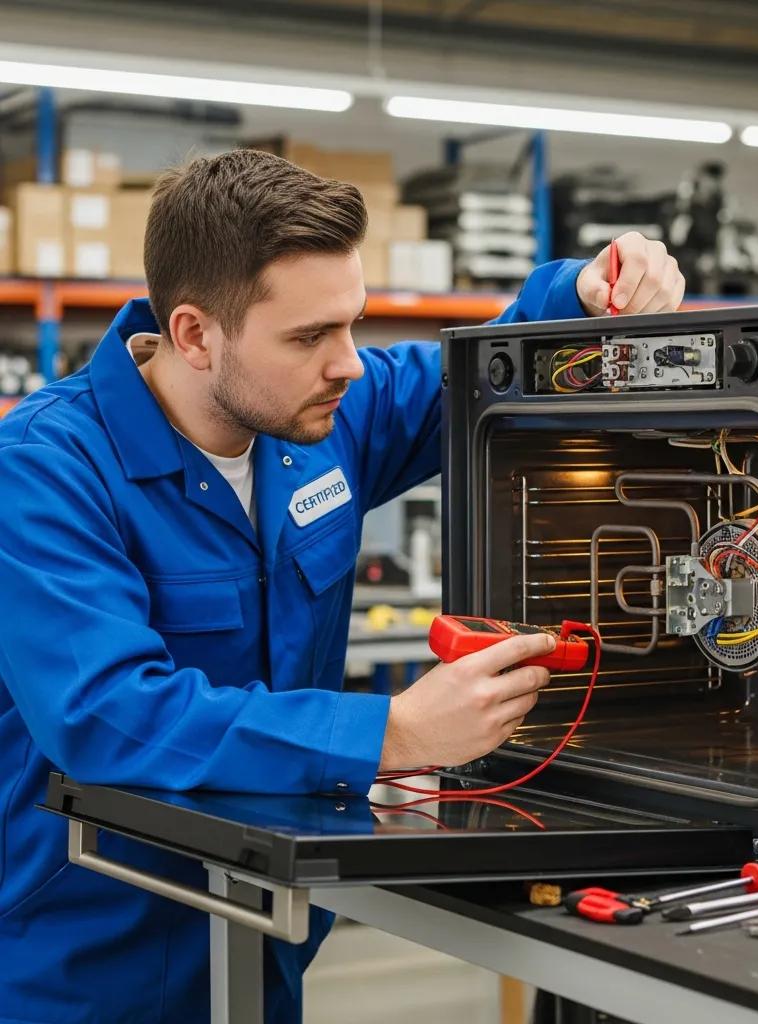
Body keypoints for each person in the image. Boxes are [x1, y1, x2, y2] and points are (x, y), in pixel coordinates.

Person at [0, 148, 685, 1024]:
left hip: (267, 927)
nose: (350, 364)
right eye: (308, 337)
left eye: (351, 324)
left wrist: (583, 293)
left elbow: (476, 373)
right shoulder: (47, 469)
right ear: (194, 333)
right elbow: (107, 712)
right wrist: (390, 732)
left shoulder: (322, 419)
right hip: (85, 960)